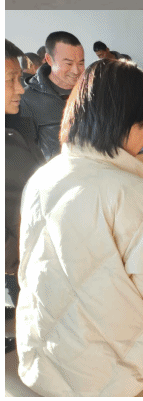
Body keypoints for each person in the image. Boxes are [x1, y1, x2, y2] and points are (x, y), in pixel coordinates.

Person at [16, 59, 143, 396]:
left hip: (57, 360)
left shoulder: (43, 177)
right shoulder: (127, 192)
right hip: (128, 371)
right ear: (124, 123)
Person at [6, 40, 41, 320]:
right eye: (10, 80)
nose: (20, 88)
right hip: (26, 265)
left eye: (20, 78)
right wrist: (15, 260)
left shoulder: (14, 127)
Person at [19, 31, 85, 160]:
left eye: (81, 63)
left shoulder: (90, 93)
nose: (76, 70)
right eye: (69, 63)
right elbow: (24, 156)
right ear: (49, 60)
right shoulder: (27, 99)